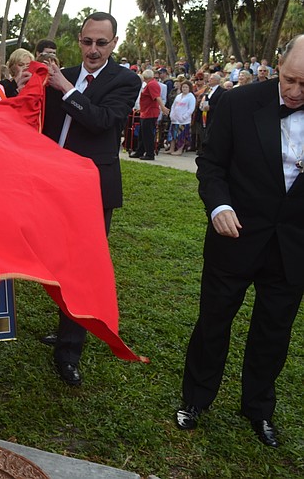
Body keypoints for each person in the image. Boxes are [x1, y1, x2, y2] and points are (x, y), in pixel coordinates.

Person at [175, 35, 304, 449]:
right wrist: (219, 207)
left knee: (274, 331)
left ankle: (259, 408)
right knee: (214, 320)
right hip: (235, 235)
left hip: (293, 246)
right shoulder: (238, 102)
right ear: (278, 67)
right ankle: (195, 399)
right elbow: (211, 164)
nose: (296, 92)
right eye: (290, 80)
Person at [41, 11, 142, 385]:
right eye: (87, 42)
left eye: (102, 43)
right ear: (79, 40)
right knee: (52, 261)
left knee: (81, 269)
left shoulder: (125, 80)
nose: (93, 50)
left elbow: (102, 121)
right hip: (51, 183)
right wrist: (27, 88)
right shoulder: (61, 74)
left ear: (114, 43)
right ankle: (63, 325)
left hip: (92, 190)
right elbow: (39, 119)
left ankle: (69, 348)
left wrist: (66, 88)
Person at [129, 69, 162, 160]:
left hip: (150, 113)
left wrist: (163, 107)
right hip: (145, 112)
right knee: (142, 134)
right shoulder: (150, 84)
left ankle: (149, 153)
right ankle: (140, 151)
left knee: (148, 134)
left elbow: (157, 97)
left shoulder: (152, 84)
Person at [162, 80, 196, 155]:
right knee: (172, 135)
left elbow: (191, 109)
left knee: (181, 136)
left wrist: (184, 117)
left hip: (183, 121)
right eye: (183, 87)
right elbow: (174, 105)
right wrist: (171, 115)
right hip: (175, 119)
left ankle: (179, 150)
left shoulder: (191, 97)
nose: (184, 89)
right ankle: (171, 149)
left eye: (186, 87)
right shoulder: (179, 96)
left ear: (189, 88)